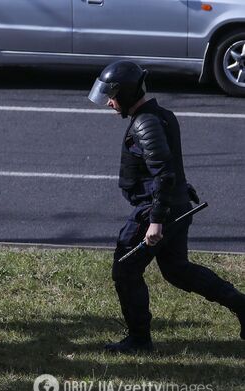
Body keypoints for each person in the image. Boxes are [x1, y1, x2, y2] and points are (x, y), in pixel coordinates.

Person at [88, 60, 245, 353]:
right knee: (177, 270)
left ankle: (139, 340)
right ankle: (242, 305)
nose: (109, 102)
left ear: (129, 92)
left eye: (113, 95)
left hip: (157, 211)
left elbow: (163, 173)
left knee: (125, 269)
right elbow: (168, 168)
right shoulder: (160, 115)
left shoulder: (145, 123)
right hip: (175, 206)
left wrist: (155, 221)